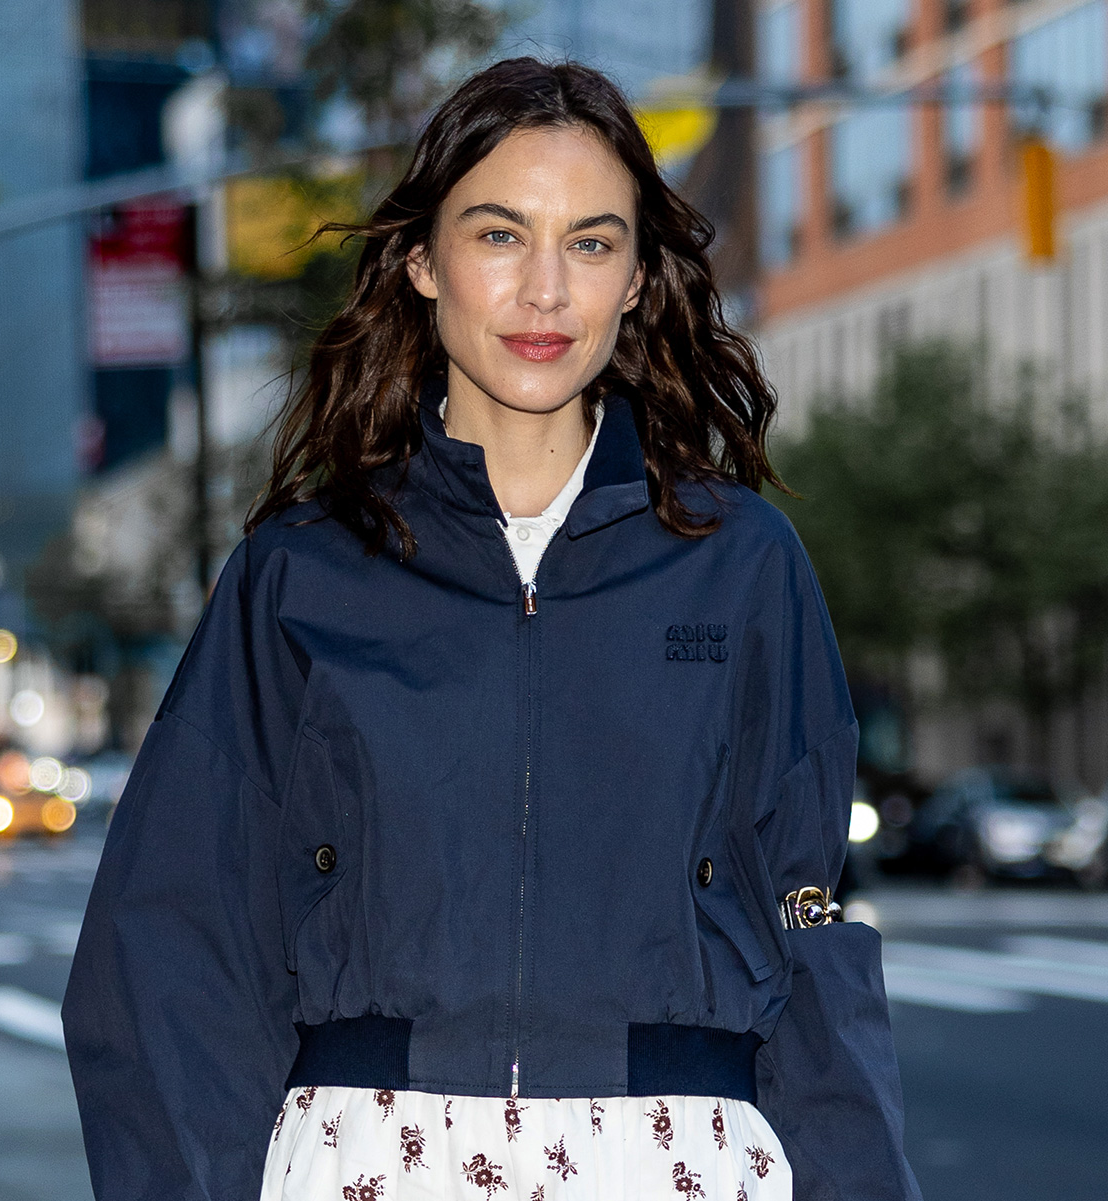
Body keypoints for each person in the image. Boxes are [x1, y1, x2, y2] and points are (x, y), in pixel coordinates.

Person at [63, 57, 921, 1201]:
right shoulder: (301, 577)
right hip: (371, 1162)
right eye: (502, 235)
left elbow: (810, 936)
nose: (547, 293)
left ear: (636, 281)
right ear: (422, 261)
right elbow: (169, 946)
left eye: (593, 242)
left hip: (677, 1166)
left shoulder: (743, 567)